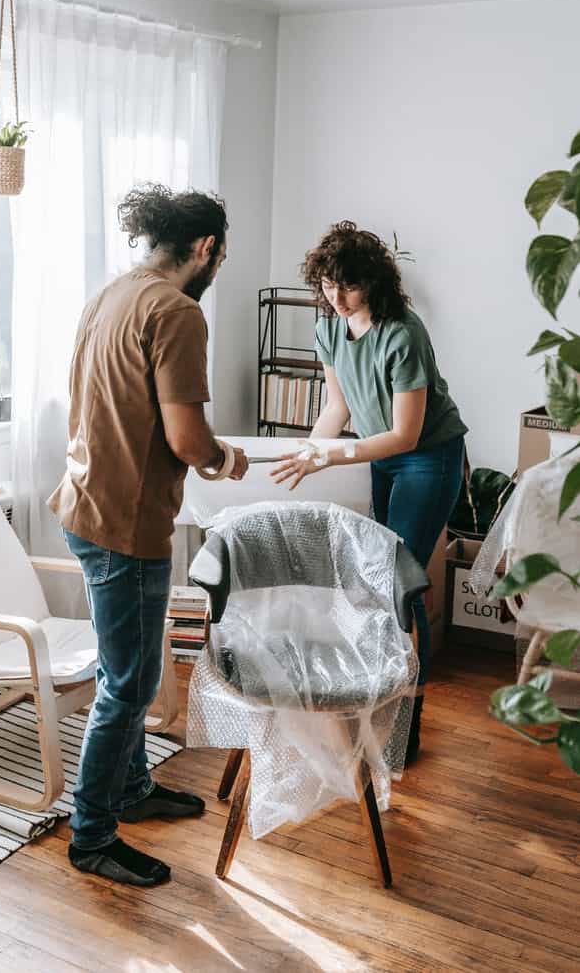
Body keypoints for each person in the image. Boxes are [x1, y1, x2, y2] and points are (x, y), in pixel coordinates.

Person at [48, 184, 249, 887]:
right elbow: (188, 439)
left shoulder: (111, 295)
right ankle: (92, 835)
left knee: (123, 668)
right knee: (129, 685)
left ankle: (131, 792)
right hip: (124, 521)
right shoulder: (177, 311)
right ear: (205, 249)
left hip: (83, 503)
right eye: (221, 252)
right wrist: (227, 460)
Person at [270, 221, 467, 762]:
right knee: (383, 581)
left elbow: (406, 433)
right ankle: (378, 711)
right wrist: (308, 453)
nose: (336, 296)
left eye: (348, 285)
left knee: (400, 585)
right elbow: (339, 408)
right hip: (380, 455)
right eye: (328, 284)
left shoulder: (404, 333)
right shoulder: (329, 329)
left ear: (374, 282)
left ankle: (407, 728)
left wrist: (332, 455)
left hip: (428, 456)